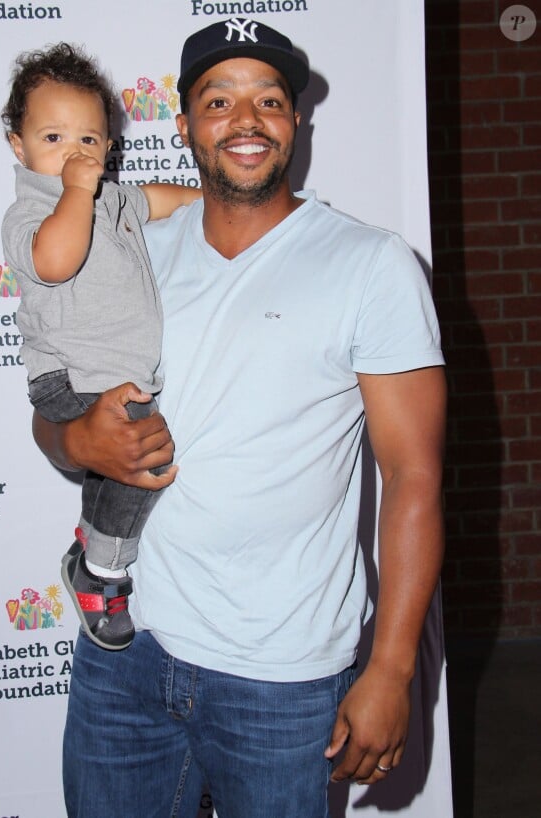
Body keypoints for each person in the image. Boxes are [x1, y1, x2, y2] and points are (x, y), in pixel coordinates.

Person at [34, 18, 446, 818]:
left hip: (282, 678)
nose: (246, 120)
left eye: (270, 100)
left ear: (296, 122)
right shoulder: (134, 251)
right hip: (124, 653)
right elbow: (53, 414)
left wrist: (392, 669)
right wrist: (75, 439)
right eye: (218, 101)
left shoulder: (371, 265)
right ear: (183, 124)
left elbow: (414, 475)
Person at [1, 43, 200, 651]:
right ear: (19, 146)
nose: (75, 153)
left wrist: (211, 202)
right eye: (54, 137)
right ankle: (101, 573)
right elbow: (56, 263)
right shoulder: (29, 212)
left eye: (90, 140)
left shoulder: (112, 198)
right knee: (146, 461)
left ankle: (89, 546)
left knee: (124, 466)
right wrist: (73, 193)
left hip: (116, 375)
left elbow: (160, 200)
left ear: (109, 147)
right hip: (69, 376)